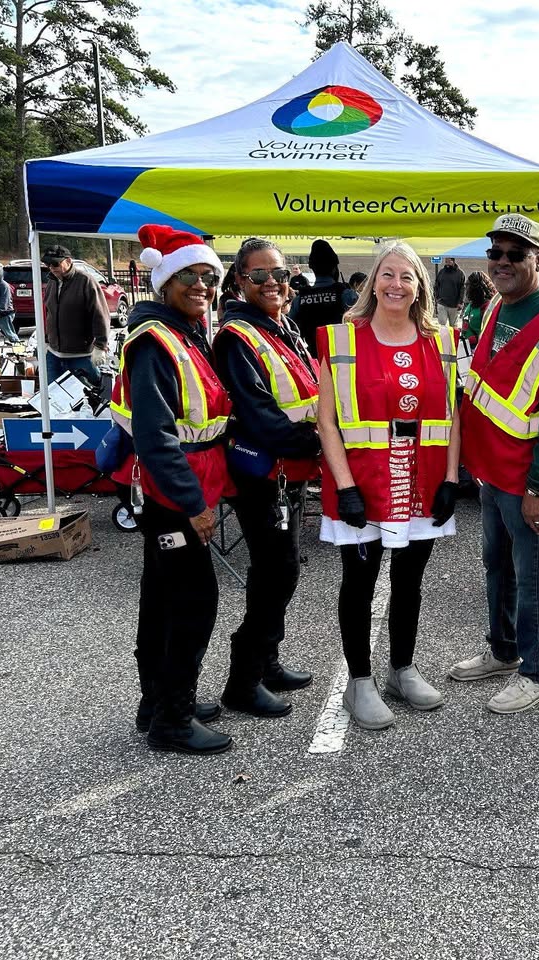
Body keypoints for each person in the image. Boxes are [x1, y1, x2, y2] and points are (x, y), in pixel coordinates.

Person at [317, 241, 461, 731]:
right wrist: (345, 486)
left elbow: (452, 414)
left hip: (420, 477)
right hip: (364, 480)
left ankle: (401, 669)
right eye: (388, 274)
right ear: (372, 280)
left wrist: (451, 479)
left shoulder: (440, 340)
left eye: (407, 276)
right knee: (359, 583)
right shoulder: (342, 340)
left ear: (420, 285)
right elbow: (327, 422)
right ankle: (360, 681)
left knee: (410, 583)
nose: (396, 285)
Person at [451, 214, 539, 715]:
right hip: (492, 471)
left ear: (538, 259)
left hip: (527, 480)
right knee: (496, 565)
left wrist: (537, 487)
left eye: (515, 254)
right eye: (496, 253)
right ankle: (504, 650)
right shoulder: (496, 308)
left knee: (530, 576)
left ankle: (536, 672)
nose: (503, 262)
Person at [109, 225, 233, 755]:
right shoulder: (156, 341)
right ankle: (173, 718)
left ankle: (156, 699)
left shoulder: (183, 331)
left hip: (181, 491)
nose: (201, 286)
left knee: (160, 599)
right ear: (165, 281)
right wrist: (194, 505)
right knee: (193, 602)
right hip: (174, 496)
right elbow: (157, 436)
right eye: (190, 276)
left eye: (209, 277)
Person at [213, 238, 321, 717]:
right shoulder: (238, 337)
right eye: (259, 276)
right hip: (263, 477)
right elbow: (258, 415)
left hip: (290, 474)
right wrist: (319, 443)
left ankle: (268, 661)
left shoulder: (283, 327)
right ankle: (243, 680)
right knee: (273, 574)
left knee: (284, 570)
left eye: (279, 274)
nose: (272, 283)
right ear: (240, 281)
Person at [41, 244, 110, 385]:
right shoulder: (51, 283)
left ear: (68, 261)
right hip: (54, 354)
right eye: (48, 264)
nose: (52, 268)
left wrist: (101, 345)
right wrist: (46, 339)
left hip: (81, 355)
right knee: (55, 399)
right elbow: (48, 313)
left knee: (89, 399)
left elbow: (100, 314)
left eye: (55, 263)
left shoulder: (86, 281)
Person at [289, 239, 348, 359]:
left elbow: (292, 333)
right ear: (334, 268)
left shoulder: (300, 299)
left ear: (312, 268)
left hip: (314, 362)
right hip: (346, 363)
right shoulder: (346, 294)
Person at [459, 270, 495, 349]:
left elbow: (489, 332)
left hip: (477, 348)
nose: (467, 290)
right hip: (465, 346)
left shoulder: (487, 307)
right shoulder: (471, 304)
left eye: (468, 287)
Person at [434, 256, 465, 326]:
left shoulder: (460, 274)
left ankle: (453, 337)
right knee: (442, 325)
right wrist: (437, 297)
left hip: (454, 305)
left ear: (453, 261)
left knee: (453, 325)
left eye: (448, 261)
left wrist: (460, 302)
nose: (447, 263)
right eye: (446, 261)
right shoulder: (441, 272)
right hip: (442, 303)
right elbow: (436, 285)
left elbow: (462, 289)